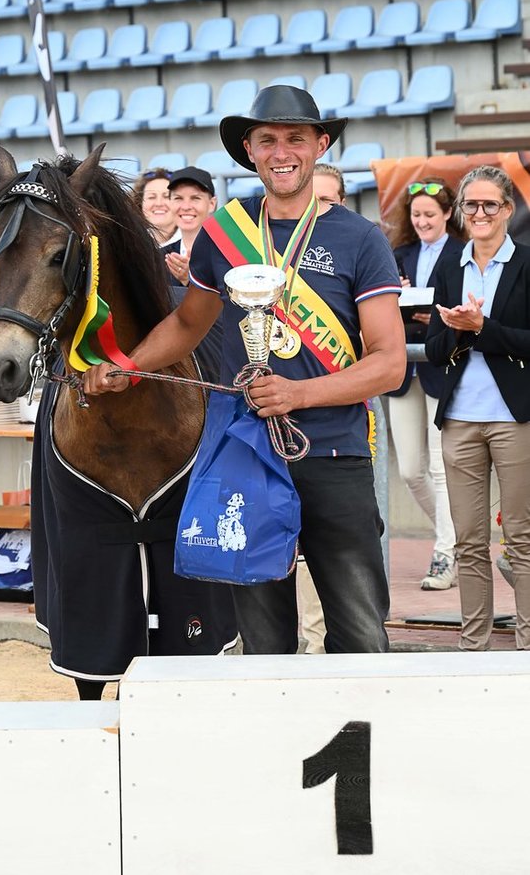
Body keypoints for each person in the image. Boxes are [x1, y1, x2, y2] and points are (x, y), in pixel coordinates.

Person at [84, 84, 406, 655]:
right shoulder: (222, 231)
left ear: (320, 145)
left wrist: (298, 395)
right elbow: (188, 325)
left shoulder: (360, 238)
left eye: (296, 139)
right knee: (263, 641)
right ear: (249, 152)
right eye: (268, 141)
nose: (282, 152)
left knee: (360, 635)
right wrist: (127, 365)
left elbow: (388, 363)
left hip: (334, 453)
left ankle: (362, 742)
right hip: (247, 451)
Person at [426, 165, 530, 651]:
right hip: (460, 419)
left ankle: (528, 644)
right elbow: (433, 345)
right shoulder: (448, 266)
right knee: (469, 542)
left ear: (508, 209)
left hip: (515, 419)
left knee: (523, 540)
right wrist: (456, 329)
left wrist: (481, 327)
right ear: (462, 212)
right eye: (472, 204)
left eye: (491, 204)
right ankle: (473, 648)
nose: (481, 212)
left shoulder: (528, 263)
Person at [386, 179, 466, 590]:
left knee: (439, 466)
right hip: (404, 370)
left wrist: (433, 317)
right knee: (411, 470)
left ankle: (445, 553)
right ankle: (459, 543)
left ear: (448, 215)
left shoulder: (462, 254)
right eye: (416, 215)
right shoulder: (399, 254)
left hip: (443, 367)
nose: (422, 222)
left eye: (430, 215)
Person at [296, 161, 347, 651]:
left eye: (328, 201)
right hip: (267, 438)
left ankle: (315, 645)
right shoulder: (264, 256)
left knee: (328, 563)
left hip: (333, 439)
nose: (318, 211)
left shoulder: (355, 245)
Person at [162, 166, 217, 286]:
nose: (186, 206)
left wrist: (193, 280)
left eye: (195, 198)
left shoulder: (226, 254)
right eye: (178, 198)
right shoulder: (158, 258)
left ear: (212, 204)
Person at [133, 167, 180, 245]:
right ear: (140, 204)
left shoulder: (194, 242)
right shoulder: (130, 243)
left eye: (167, 196)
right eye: (151, 197)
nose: (159, 203)